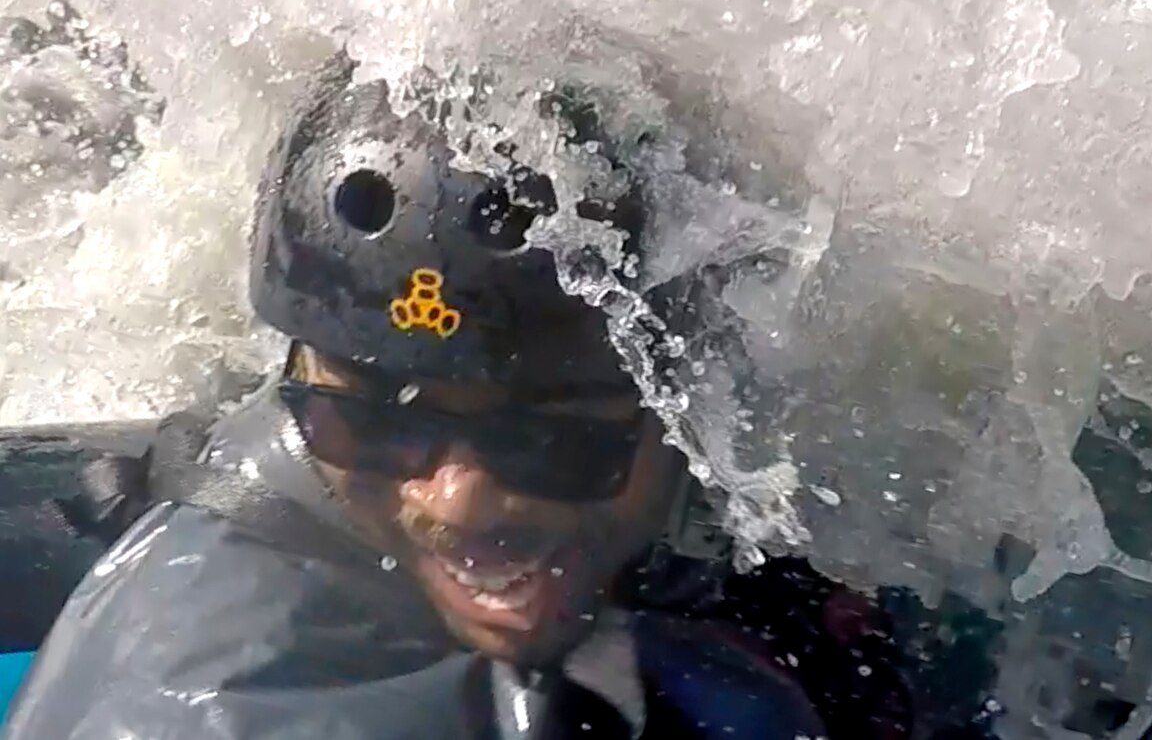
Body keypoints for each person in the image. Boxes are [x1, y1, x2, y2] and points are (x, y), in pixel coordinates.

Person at [0, 55, 913, 740]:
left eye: (554, 438)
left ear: (688, 410)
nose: (458, 498)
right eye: (369, 419)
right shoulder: (217, 704)